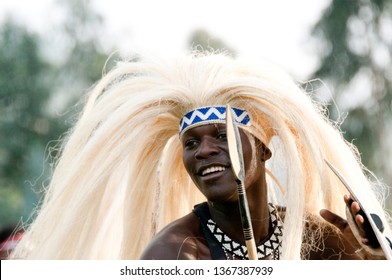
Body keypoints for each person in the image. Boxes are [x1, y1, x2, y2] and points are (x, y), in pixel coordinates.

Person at [10, 51, 392, 260]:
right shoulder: (174, 254)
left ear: (263, 147)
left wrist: (371, 259)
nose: (205, 150)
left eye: (222, 136)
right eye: (191, 143)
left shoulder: (312, 236)